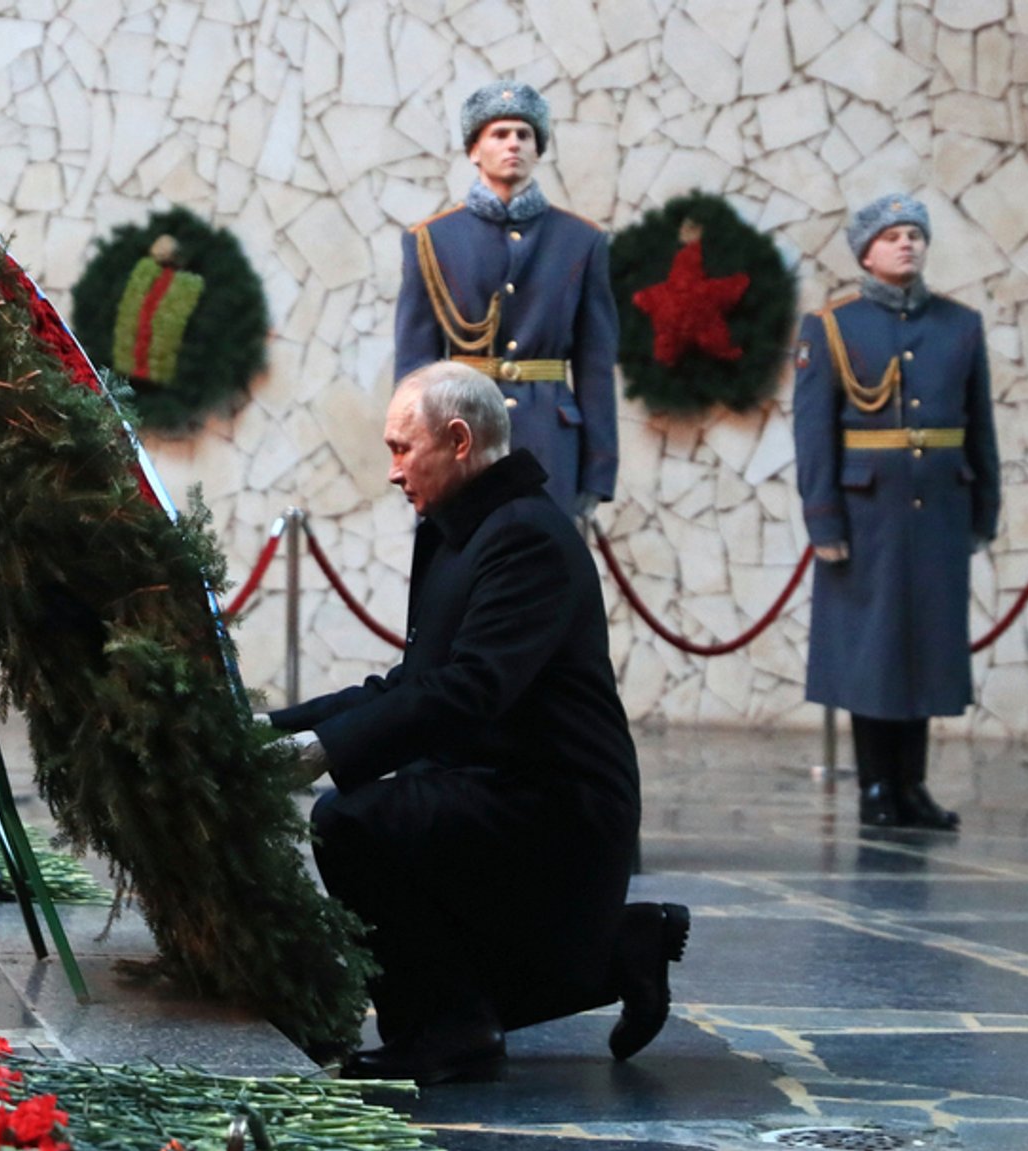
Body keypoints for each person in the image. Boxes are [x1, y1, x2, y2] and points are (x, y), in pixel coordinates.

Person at [269, 362, 688, 1085]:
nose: (394, 471)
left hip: (561, 805)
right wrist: (274, 725)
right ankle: (619, 948)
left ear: (459, 439)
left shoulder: (523, 536)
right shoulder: (465, 527)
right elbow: (408, 683)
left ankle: (452, 1029)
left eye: (403, 448)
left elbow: (472, 689)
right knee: (396, 812)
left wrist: (322, 753)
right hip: (498, 785)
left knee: (354, 822)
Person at [791, 193, 1002, 831]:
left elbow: (979, 427)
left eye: (915, 234)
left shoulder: (959, 325)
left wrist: (983, 507)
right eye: (892, 236)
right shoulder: (831, 327)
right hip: (866, 515)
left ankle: (913, 787)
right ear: (866, 252)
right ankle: (876, 788)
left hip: (938, 509)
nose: (906, 244)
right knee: (872, 654)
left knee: (927, 650)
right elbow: (813, 432)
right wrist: (823, 518)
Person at [394, 81, 619, 521]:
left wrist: (598, 472)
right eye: (499, 134)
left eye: (524, 134)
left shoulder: (581, 241)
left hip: (551, 441)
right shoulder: (432, 241)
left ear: (538, 151)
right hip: (458, 439)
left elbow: (595, 366)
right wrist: (411, 458)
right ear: (474, 150)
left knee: (547, 575)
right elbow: (414, 368)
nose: (513, 143)